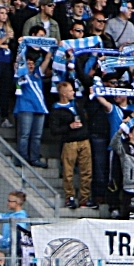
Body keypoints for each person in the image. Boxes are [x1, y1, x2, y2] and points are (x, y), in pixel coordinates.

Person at [46, 81, 93, 209]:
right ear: (64, 94)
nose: (73, 92)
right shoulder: (56, 109)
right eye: (71, 91)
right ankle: (70, 197)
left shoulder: (77, 103)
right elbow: (54, 130)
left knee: (87, 171)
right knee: (68, 172)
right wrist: (69, 127)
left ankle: (85, 199)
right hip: (69, 143)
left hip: (84, 140)